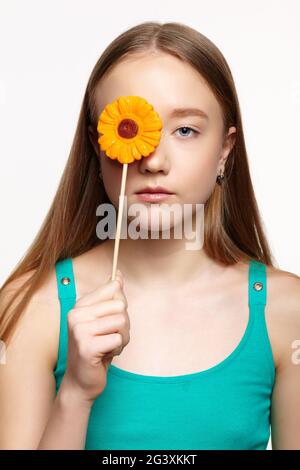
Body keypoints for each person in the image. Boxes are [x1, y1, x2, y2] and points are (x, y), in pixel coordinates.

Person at [0, 21, 299, 451]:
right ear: (98, 144)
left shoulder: (286, 312)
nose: (154, 161)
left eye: (185, 130)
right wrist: (76, 395)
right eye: (129, 129)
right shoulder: (32, 306)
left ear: (225, 150)